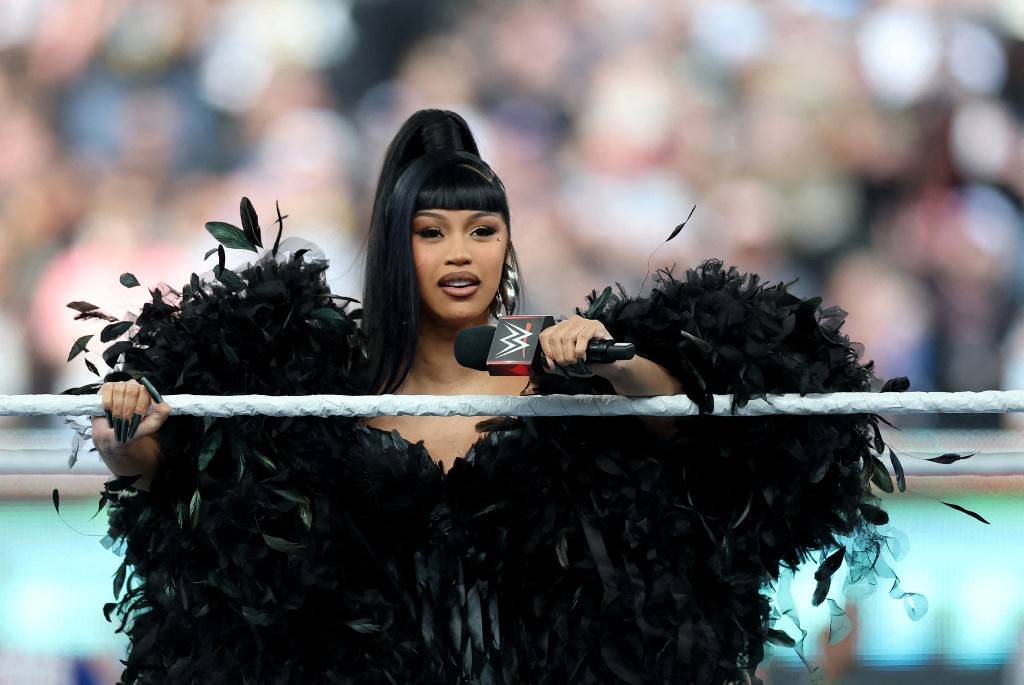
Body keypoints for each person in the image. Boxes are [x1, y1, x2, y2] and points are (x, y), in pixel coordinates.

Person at [72, 109, 908, 684]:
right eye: (431, 231)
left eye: (483, 228)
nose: (460, 252)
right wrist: (124, 428)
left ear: (508, 239)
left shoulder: (530, 346)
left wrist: (609, 362)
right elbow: (167, 468)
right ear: (394, 246)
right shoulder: (336, 368)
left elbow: (673, 414)